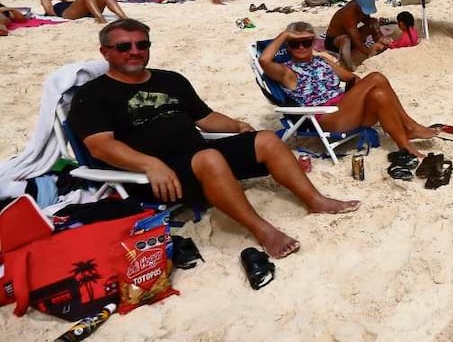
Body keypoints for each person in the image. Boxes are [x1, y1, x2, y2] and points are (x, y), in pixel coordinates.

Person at [68, 19, 359, 258]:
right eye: (123, 46)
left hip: (201, 157)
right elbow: (100, 146)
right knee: (209, 157)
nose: (134, 51)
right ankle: (263, 231)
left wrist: (237, 126)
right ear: (105, 52)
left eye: (141, 44)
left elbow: (205, 118)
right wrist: (149, 165)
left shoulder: (170, 80)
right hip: (157, 177)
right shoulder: (92, 95)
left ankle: (315, 200)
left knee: (267, 139)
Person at [259, 22, 437, 159]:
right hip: (328, 117)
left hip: (346, 110)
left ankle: (405, 147)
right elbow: (264, 61)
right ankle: (410, 127)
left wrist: (360, 97)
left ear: (313, 42)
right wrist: (284, 34)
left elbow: (352, 78)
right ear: (288, 46)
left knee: (378, 94)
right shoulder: (287, 72)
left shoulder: (322, 61)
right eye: (295, 44)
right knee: (376, 77)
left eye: (306, 42)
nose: (301, 47)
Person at [325, 0, 381, 70]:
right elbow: (357, 41)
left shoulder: (360, 7)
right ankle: (350, 66)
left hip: (351, 36)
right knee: (346, 39)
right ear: (358, 7)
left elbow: (368, 21)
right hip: (333, 42)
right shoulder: (348, 15)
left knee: (373, 23)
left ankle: (380, 44)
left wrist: (379, 38)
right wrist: (370, 54)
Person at [41, 0, 128, 23]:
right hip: (68, 14)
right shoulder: (50, 9)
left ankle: (123, 17)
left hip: (88, 10)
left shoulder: (71, 2)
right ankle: (100, 19)